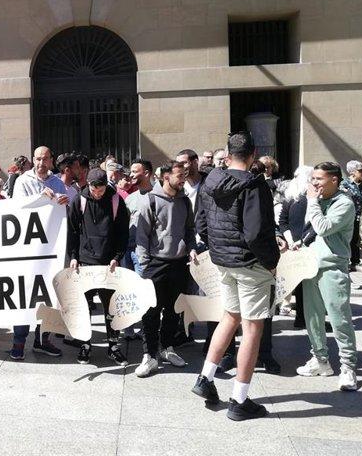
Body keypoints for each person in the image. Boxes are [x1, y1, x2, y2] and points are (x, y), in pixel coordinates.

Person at [192, 132, 284, 421]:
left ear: (228, 154)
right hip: (250, 264)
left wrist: (219, 249)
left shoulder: (210, 180)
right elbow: (257, 233)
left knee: (230, 316)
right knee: (252, 328)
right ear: (254, 154)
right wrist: (271, 263)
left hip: (224, 261)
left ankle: (205, 378)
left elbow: (201, 223)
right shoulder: (254, 185)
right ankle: (239, 399)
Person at [296, 162, 359, 392]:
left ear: (334, 180)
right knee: (312, 318)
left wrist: (312, 202)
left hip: (332, 267)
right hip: (310, 266)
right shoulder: (319, 201)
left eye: (319, 179)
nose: (314, 183)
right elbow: (310, 232)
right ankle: (320, 360)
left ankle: (348, 367)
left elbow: (322, 227)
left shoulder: (344, 203)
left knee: (339, 319)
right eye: (313, 178)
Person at [134, 160, 198, 377]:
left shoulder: (185, 202)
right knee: (151, 311)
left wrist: (191, 248)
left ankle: (167, 348)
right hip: (155, 263)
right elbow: (141, 236)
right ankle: (149, 355)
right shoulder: (150, 201)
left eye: (185, 176)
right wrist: (144, 266)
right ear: (166, 176)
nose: (183, 180)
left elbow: (190, 230)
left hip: (179, 263)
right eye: (180, 176)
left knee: (174, 310)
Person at [67, 168, 130, 366]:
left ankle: (113, 345)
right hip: (85, 262)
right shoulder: (80, 200)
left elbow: (122, 231)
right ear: (90, 186)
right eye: (95, 190)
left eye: (101, 190)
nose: (98, 194)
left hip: (108, 262)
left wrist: (117, 256)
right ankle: (85, 345)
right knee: (84, 306)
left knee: (111, 307)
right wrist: (74, 256)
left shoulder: (115, 200)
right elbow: (72, 230)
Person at [9, 146, 68, 360]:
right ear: (33, 160)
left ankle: (43, 340)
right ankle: (19, 341)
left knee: (48, 296)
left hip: (49, 250)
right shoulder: (23, 181)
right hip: (27, 251)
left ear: (51, 161)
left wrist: (64, 202)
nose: (41, 163)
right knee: (24, 296)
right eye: (38, 159)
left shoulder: (57, 182)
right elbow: (17, 210)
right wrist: (39, 199)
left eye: (45, 159)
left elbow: (63, 213)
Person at [277, 166, 316, 328]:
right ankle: (305, 318)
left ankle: (303, 317)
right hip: (301, 246)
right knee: (304, 284)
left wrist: (292, 240)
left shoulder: (292, 198)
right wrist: (293, 241)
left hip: (298, 244)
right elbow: (283, 221)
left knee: (302, 284)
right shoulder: (293, 198)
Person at [341, 160, 362, 274]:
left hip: (359, 217)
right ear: (352, 172)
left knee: (356, 240)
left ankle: (355, 262)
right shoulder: (344, 184)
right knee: (347, 240)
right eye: (360, 170)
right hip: (348, 217)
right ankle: (344, 263)